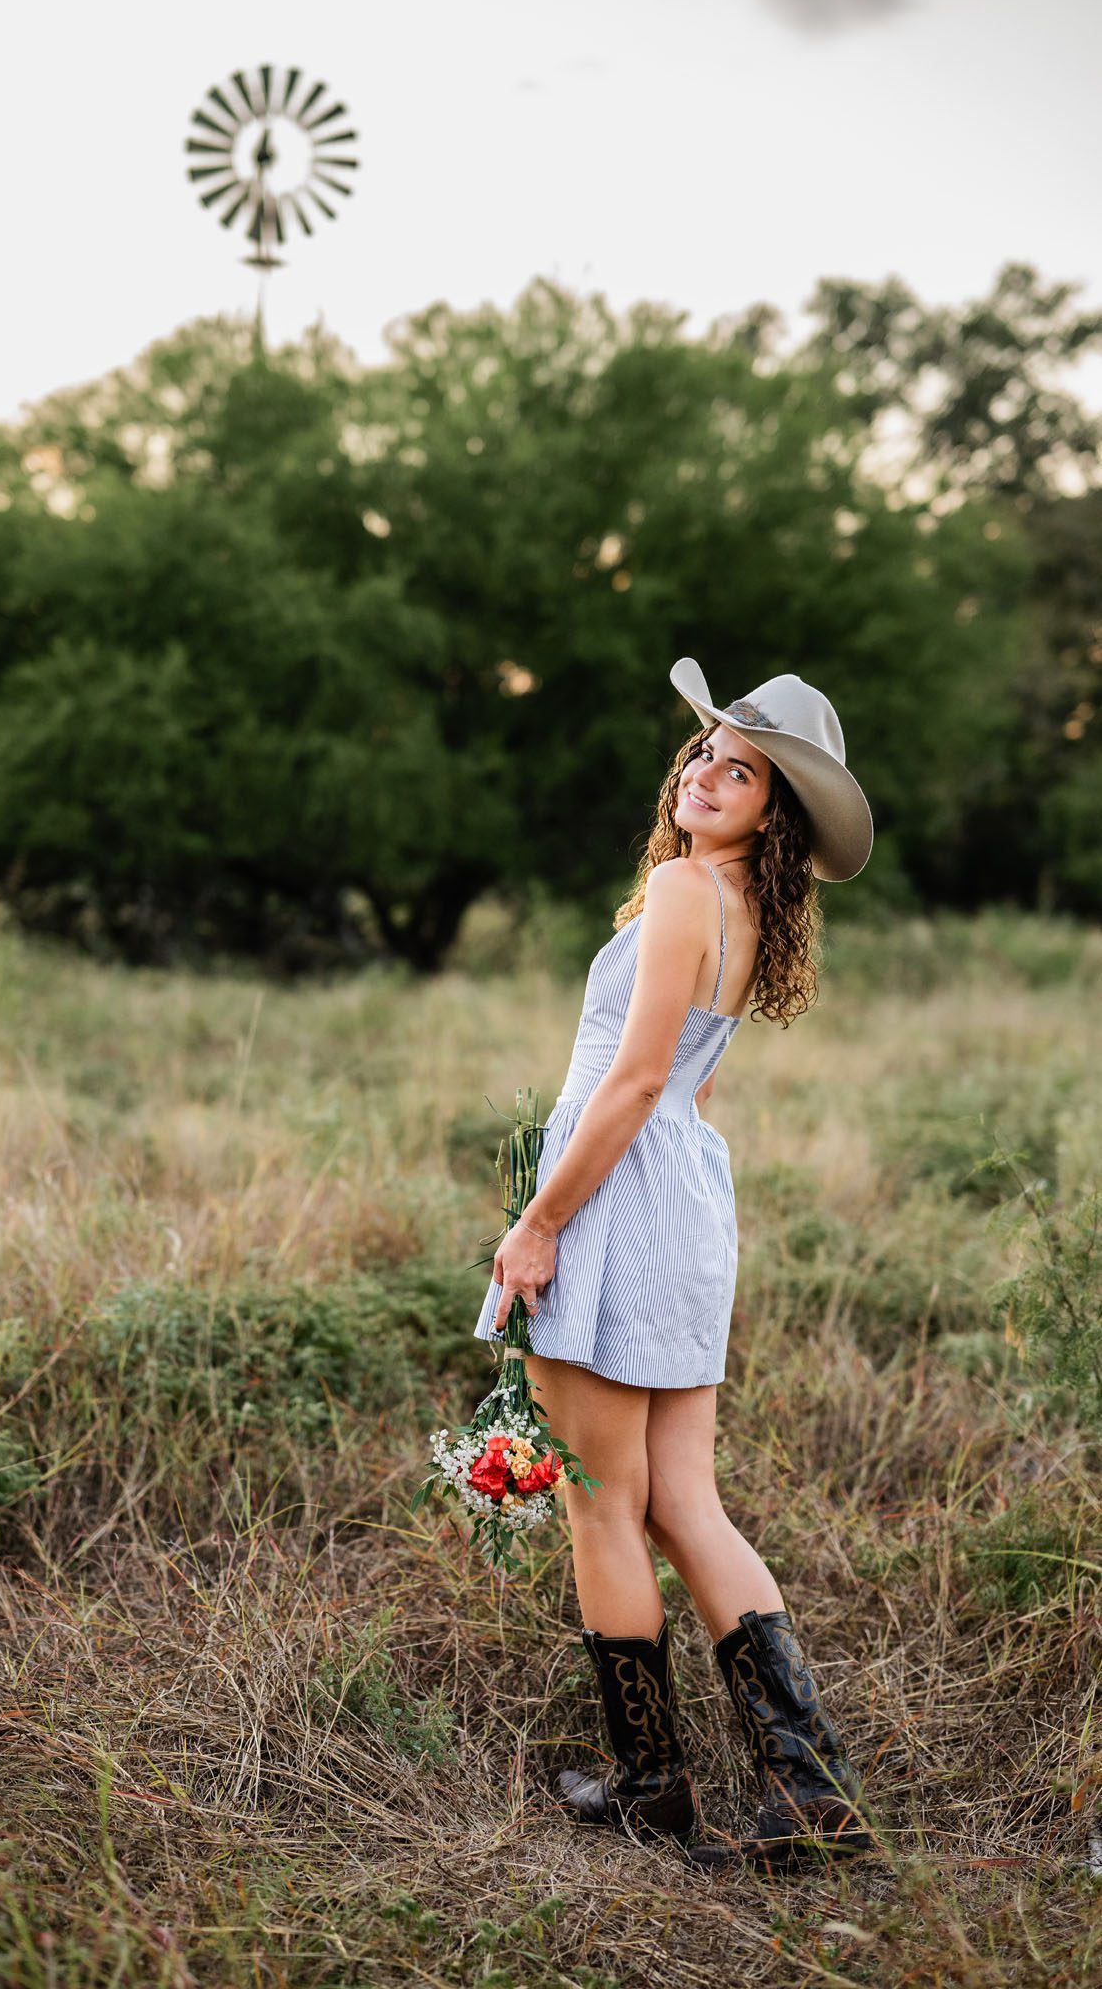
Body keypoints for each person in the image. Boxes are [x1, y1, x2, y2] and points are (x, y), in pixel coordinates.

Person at [471, 660, 877, 1871]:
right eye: (703, 752)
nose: (705, 774)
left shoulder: (683, 885)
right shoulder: (745, 903)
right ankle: (812, 1794)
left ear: (775, 810)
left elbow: (638, 1079)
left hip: (616, 1196)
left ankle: (654, 1788)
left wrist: (540, 1217)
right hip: (683, 1193)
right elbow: (687, 1086)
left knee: (605, 1505)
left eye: (738, 769)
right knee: (680, 1500)